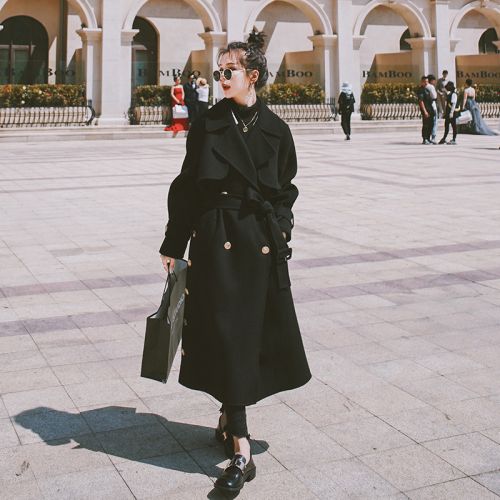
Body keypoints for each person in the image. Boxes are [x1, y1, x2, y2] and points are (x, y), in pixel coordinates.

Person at [158, 32, 311, 494]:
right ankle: (242, 448)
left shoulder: (277, 129)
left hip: (259, 242)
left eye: (229, 71)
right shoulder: (208, 124)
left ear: (253, 76)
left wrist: (281, 228)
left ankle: (230, 417)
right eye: (218, 71)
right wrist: (174, 243)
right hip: (217, 239)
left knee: (247, 335)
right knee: (226, 333)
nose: (221, 77)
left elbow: (285, 190)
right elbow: (187, 185)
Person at [439, 81, 458, 145]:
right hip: (448, 112)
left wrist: (451, 113)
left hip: (451, 112)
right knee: (446, 125)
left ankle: (454, 139)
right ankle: (444, 138)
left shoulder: (454, 94)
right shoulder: (450, 93)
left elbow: (453, 104)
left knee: (453, 126)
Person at [417, 75, 434, 144]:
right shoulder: (421, 90)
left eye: (427, 81)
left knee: (431, 124)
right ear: (422, 82)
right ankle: (425, 139)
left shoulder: (427, 89)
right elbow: (421, 101)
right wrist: (425, 111)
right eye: (425, 81)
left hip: (430, 108)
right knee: (426, 125)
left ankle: (428, 138)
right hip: (426, 109)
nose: (426, 83)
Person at [426, 74, 438, 143]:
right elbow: (434, 96)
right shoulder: (431, 87)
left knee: (428, 122)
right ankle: (433, 137)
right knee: (434, 122)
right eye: (434, 80)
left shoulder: (425, 86)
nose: (435, 82)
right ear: (431, 80)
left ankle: (427, 137)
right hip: (432, 106)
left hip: (426, 106)